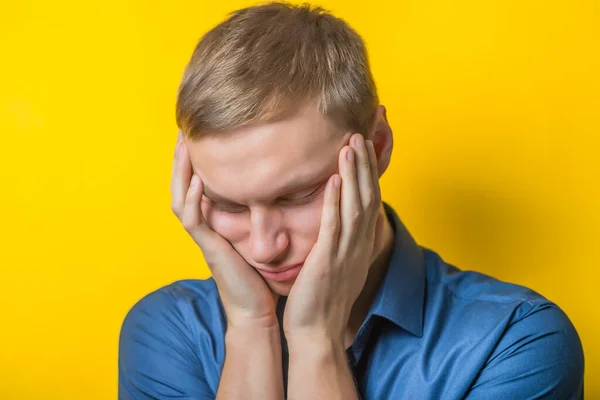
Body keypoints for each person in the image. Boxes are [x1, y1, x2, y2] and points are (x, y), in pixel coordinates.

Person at [118, 2, 584, 399]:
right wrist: (250, 329)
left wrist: (315, 340)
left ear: (377, 146)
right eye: (229, 206)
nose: (264, 248)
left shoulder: (514, 342)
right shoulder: (169, 332)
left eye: (299, 195)